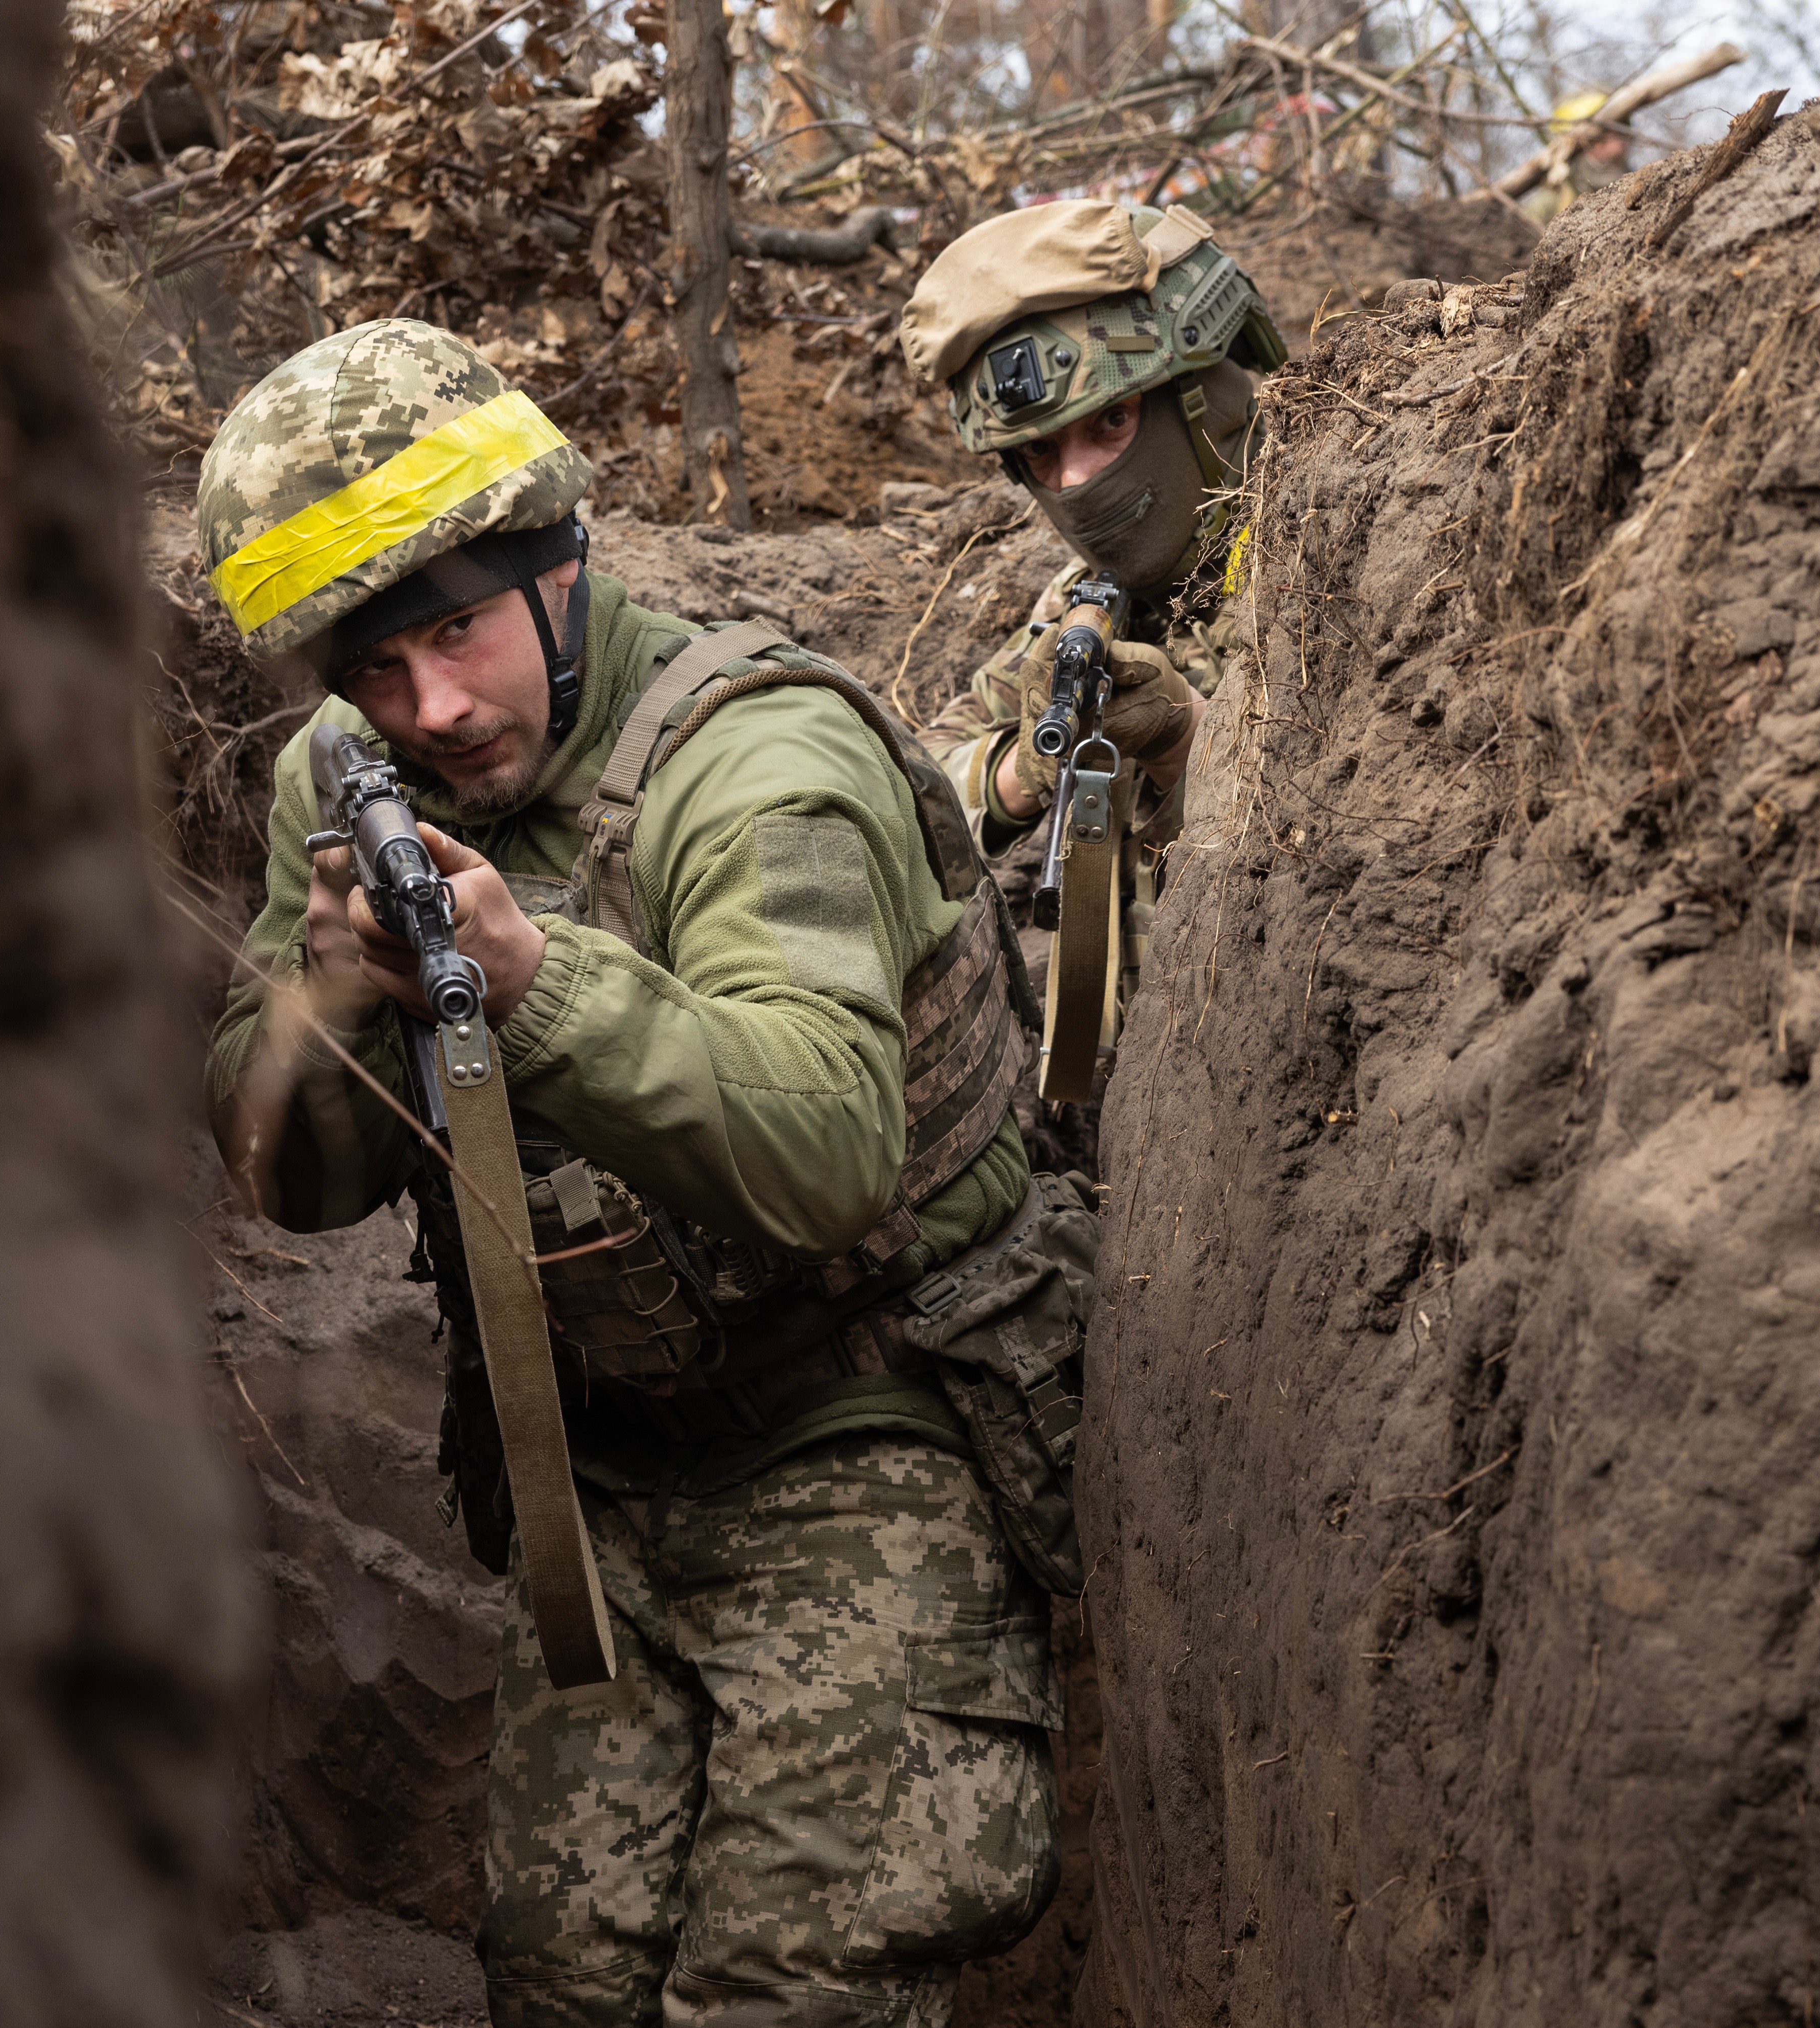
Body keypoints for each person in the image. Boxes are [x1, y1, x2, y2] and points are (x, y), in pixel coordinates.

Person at [200, 318, 1083, 2027]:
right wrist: (333, 997)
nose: (432, 709)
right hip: (593, 1476)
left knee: (798, 1977)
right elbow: (286, 1181)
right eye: (372, 669)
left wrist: (531, 982)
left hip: (866, 1416)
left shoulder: (758, 762)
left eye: (456, 631)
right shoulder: (347, 777)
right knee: (561, 1976)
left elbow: (829, 1150)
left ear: (562, 566)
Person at [897, 200, 1287, 1147]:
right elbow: (907, 787)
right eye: (1039, 452)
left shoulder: (1332, 555)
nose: (1074, 483)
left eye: (1110, 420)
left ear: (1201, 393)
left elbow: (1342, 847)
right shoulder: (1086, 603)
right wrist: (1019, 771)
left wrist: (1190, 743)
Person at [1522, 91, 1632, 224]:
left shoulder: (1645, 187)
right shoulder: (1546, 208)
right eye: (1601, 138)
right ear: (1572, 147)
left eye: (1622, 131)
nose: (1619, 147)